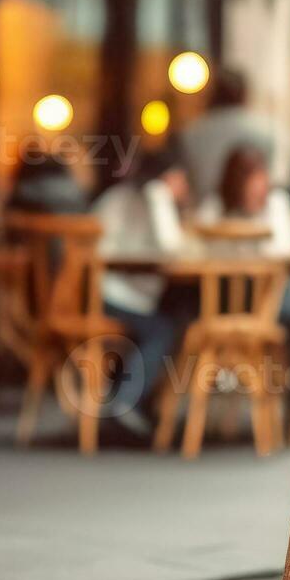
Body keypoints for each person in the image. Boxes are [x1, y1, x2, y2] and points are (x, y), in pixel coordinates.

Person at [91, 150, 193, 435]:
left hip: (96, 292)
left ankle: (122, 400)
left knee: (164, 317)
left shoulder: (117, 195)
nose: (185, 185)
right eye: (181, 177)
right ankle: (126, 402)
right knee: (163, 329)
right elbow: (170, 246)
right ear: (168, 176)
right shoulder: (155, 194)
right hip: (112, 293)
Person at [200, 145, 290, 361]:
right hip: (224, 293)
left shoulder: (276, 202)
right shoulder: (215, 207)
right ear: (235, 184)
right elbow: (201, 248)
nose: (258, 189)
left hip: (270, 290)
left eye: (261, 179)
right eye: (250, 182)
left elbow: (284, 249)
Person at [178, 68, 276, 202]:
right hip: (248, 215)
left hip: (202, 212)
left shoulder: (192, 132)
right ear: (244, 93)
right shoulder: (265, 132)